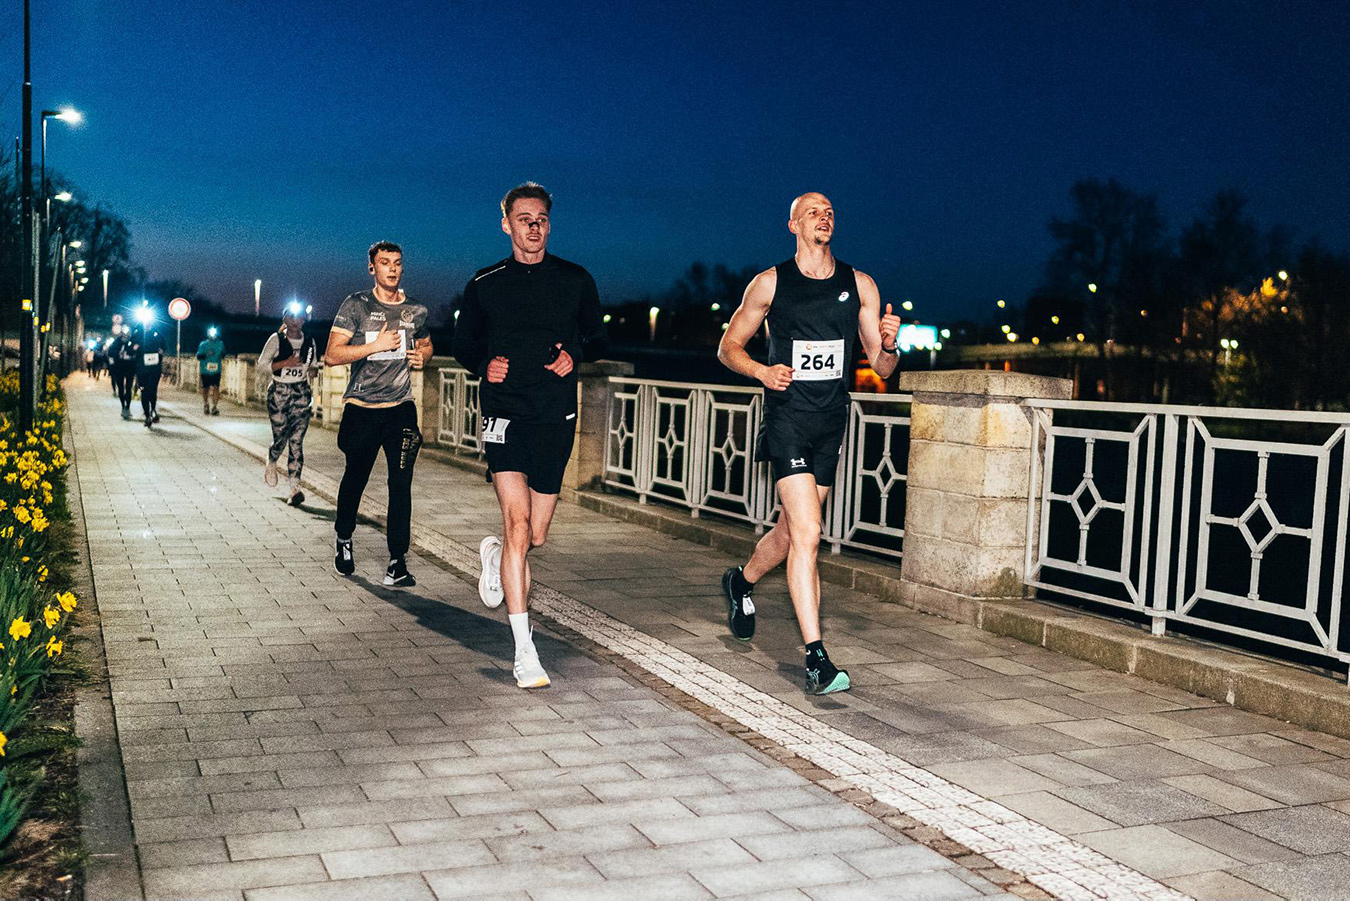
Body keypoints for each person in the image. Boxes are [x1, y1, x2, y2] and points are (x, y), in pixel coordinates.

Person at [716, 192, 900, 694]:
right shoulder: (770, 283)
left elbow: (882, 368)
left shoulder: (859, 284)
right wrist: (761, 370)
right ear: (793, 224)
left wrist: (888, 345)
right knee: (811, 534)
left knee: (792, 533)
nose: (825, 216)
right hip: (787, 418)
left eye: (831, 211)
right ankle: (816, 659)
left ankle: (741, 581)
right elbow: (727, 347)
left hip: (830, 422)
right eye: (814, 211)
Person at [452, 182, 608, 690]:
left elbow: (598, 336)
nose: (533, 226)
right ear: (506, 224)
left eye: (541, 218)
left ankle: (497, 556)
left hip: (554, 416)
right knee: (518, 524)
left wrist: (576, 356)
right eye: (524, 218)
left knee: (535, 535)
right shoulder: (485, 282)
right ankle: (524, 651)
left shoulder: (575, 279)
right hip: (503, 414)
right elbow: (462, 343)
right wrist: (483, 365)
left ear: (549, 223)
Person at [324, 242, 432, 586]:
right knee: (355, 477)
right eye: (385, 263)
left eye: (397, 263)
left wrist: (423, 357)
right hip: (362, 409)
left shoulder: (416, 309)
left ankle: (397, 562)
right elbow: (332, 355)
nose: (392, 269)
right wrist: (374, 346)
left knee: (401, 484)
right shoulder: (356, 305)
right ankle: (343, 538)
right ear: (372, 268)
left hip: (401, 409)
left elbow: (427, 343)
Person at [258, 304, 320, 506]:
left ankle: (294, 489)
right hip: (279, 392)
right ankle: (272, 459)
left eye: (300, 317)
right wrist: (285, 363)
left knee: (296, 441)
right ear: (285, 319)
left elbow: (313, 366)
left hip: (301, 392)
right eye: (291, 317)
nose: (296, 321)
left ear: (304, 320)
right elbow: (262, 365)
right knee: (281, 436)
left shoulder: (309, 342)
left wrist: (311, 371)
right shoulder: (276, 340)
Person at [132, 322, 167, 428]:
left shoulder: (157, 335)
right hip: (141, 369)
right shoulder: (137, 335)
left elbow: (164, 347)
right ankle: (147, 416)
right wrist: (134, 348)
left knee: (152, 390)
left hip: (154, 369)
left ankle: (153, 410)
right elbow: (130, 349)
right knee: (144, 391)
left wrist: (161, 351)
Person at [107, 328, 137, 419]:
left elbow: (137, 352)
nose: (125, 337)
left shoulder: (132, 342)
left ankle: (127, 407)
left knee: (128, 388)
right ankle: (123, 406)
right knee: (120, 387)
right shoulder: (116, 342)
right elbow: (110, 353)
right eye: (124, 335)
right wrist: (118, 353)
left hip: (129, 367)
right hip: (119, 367)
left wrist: (131, 354)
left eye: (127, 335)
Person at [196, 327, 225, 415]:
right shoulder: (203, 344)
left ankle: (215, 407)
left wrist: (222, 355)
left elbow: (223, 354)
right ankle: (206, 404)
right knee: (206, 388)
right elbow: (199, 356)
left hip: (216, 369)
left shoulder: (220, 343)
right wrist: (206, 354)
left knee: (216, 387)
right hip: (205, 370)